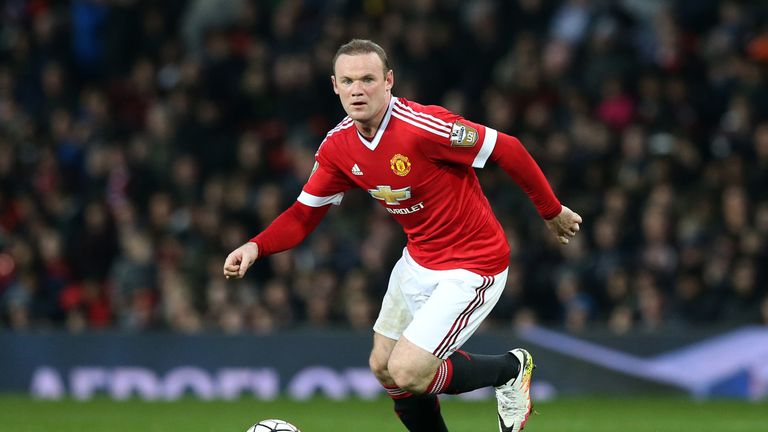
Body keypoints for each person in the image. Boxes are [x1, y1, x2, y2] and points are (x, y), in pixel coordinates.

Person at [223, 39, 582, 432]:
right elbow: (303, 215)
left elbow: (506, 148)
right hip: (418, 260)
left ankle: (509, 370)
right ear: (334, 86)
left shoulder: (423, 127)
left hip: (473, 265)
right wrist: (255, 245)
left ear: (389, 81)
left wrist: (551, 211)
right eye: (348, 81)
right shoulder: (338, 146)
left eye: (367, 79)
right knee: (384, 366)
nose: (357, 89)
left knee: (409, 370)